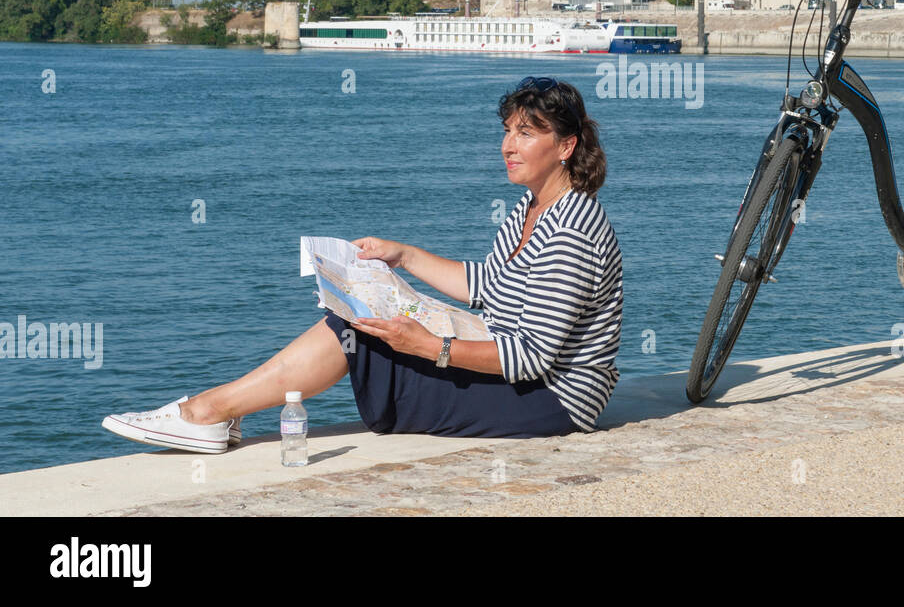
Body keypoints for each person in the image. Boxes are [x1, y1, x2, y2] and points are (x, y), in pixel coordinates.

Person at [102, 77, 622, 452]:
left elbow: (532, 356)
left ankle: (208, 413)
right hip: (518, 369)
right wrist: (403, 256)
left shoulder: (570, 231)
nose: (509, 146)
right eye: (508, 131)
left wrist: (431, 347)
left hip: (550, 400)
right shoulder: (533, 206)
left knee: (356, 332)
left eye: (527, 134)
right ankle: (217, 412)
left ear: (566, 146)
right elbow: (490, 286)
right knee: (363, 315)